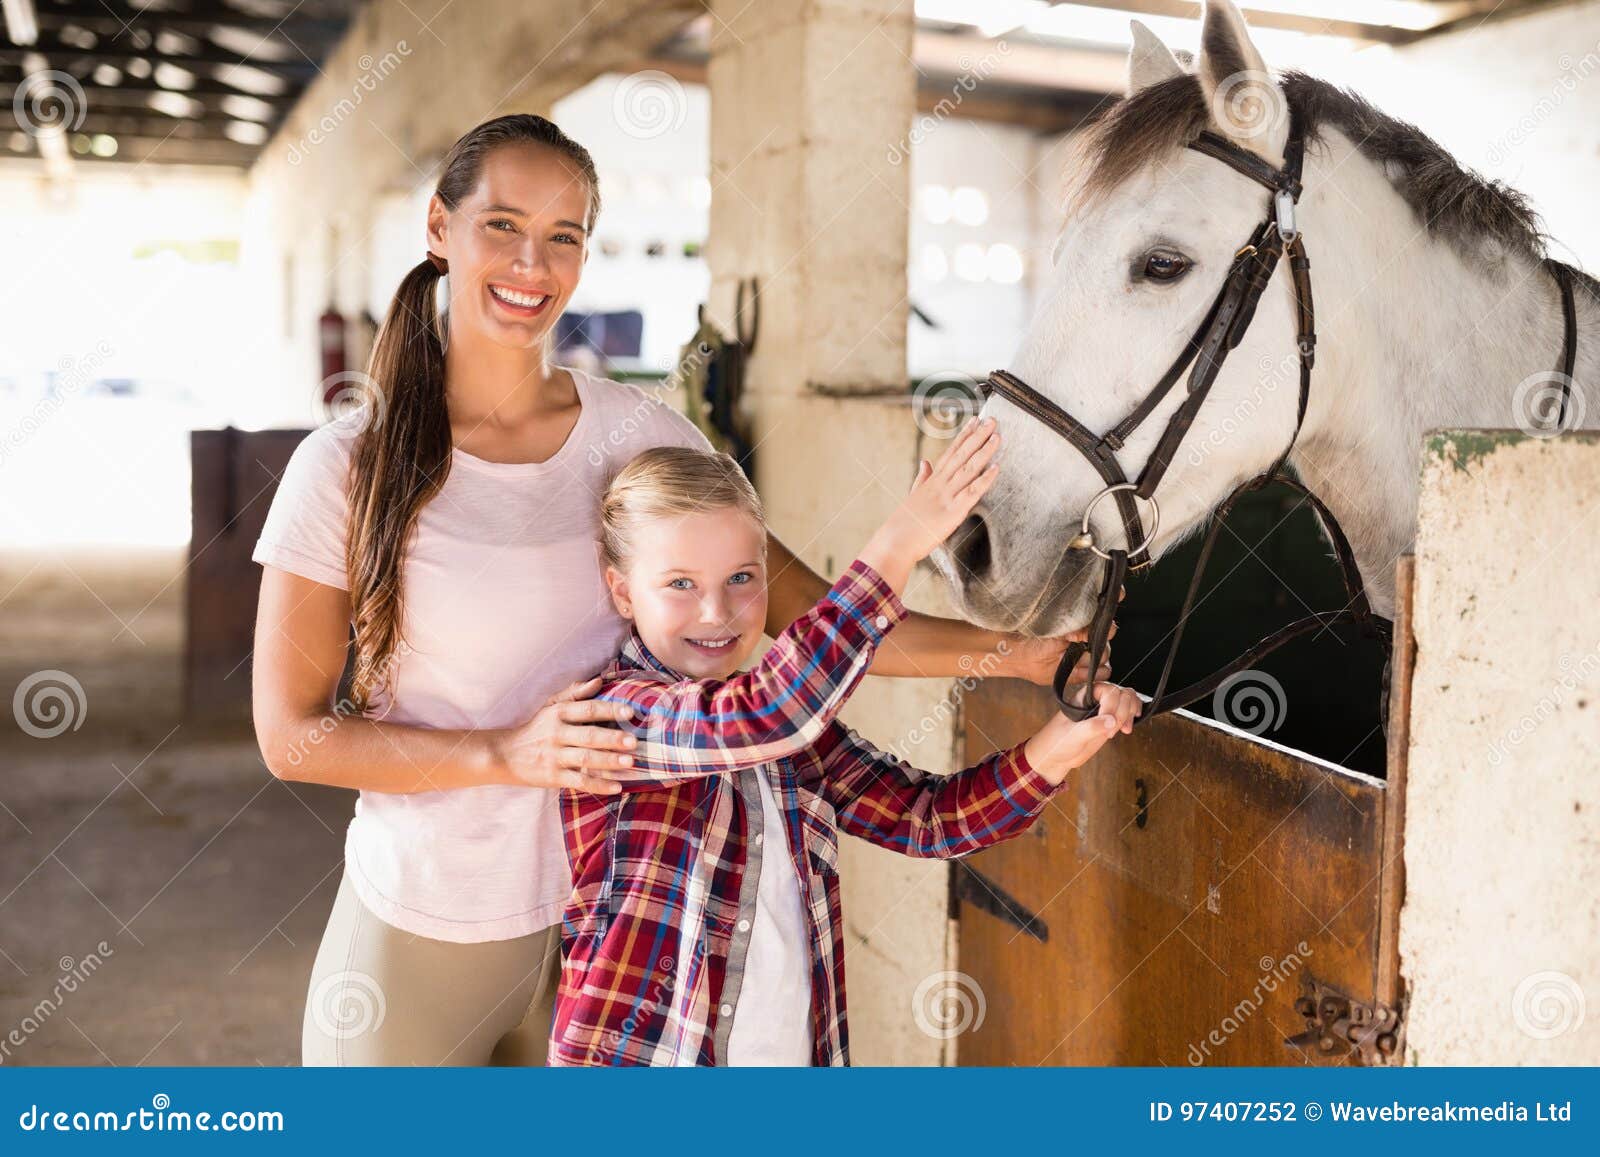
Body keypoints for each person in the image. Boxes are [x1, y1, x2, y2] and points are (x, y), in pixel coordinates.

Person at [250, 113, 1106, 1066]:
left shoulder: (636, 435)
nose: (532, 262)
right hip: (430, 928)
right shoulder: (344, 468)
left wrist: (1025, 656)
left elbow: (823, 625)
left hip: (612, 940)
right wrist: (506, 753)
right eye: (501, 224)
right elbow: (292, 737)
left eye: (564, 236)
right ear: (439, 228)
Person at [551, 424, 1141, 1066]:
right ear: (621, 591)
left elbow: (931, 820)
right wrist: (897, 546)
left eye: (742, 577)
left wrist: (1062, 744)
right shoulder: (613, 719)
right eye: (680, 584)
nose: (717, 612)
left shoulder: (795, 739)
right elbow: (766, 716)